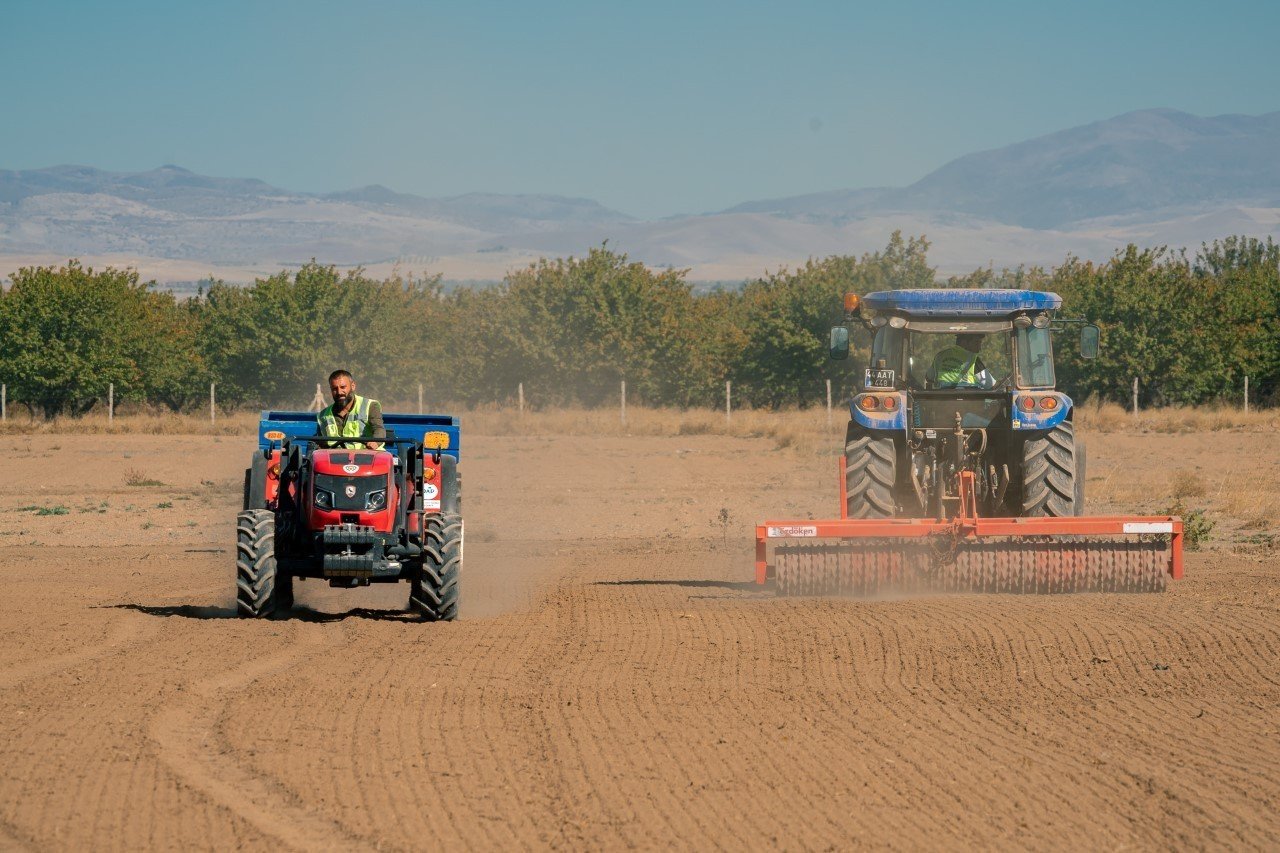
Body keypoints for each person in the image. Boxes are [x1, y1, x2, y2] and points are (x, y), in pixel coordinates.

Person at [317, 369, 386, 449]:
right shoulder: (322, 416)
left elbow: (379, 429)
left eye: (343, 387)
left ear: (353, 386)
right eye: (335, 389)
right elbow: (320, 443)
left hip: (367, 458)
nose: (339, 392)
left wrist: (375, 442)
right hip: (335, 459)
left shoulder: (370, 406)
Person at [928, 334, 996, 389]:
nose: (979, 348)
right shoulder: (973, 360)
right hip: (968, 403)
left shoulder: (940, 356)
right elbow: (990, 385)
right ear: (964, 342)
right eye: (976, 343)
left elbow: (929, 378)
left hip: (940, 402)